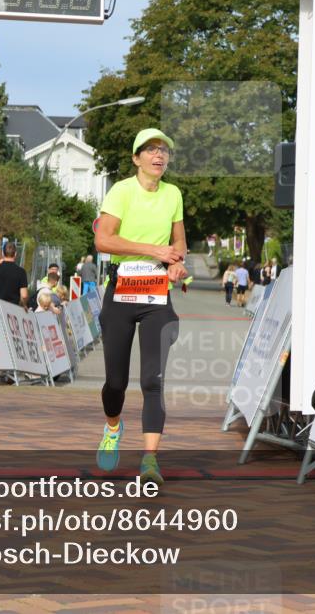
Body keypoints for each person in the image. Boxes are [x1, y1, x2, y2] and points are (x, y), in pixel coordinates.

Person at [93, 127, 186, 485]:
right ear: (136, 158)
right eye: (150, 150)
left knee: (152, 379)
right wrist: (152, 250)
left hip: (156, 293)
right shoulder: (121, 191)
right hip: (121, 290)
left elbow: (179, 243)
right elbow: (103, 240)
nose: (159, 155)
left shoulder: (173, 194)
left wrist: (176, 263)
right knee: (115, 381)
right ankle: (112, 427)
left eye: (164, 150)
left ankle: (149, 460)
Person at [0, 242, 30, 306]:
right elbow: (24, 296)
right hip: (13, 308)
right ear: (15, 254)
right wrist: (23, 305)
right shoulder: (21, 272)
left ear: (3, 253)